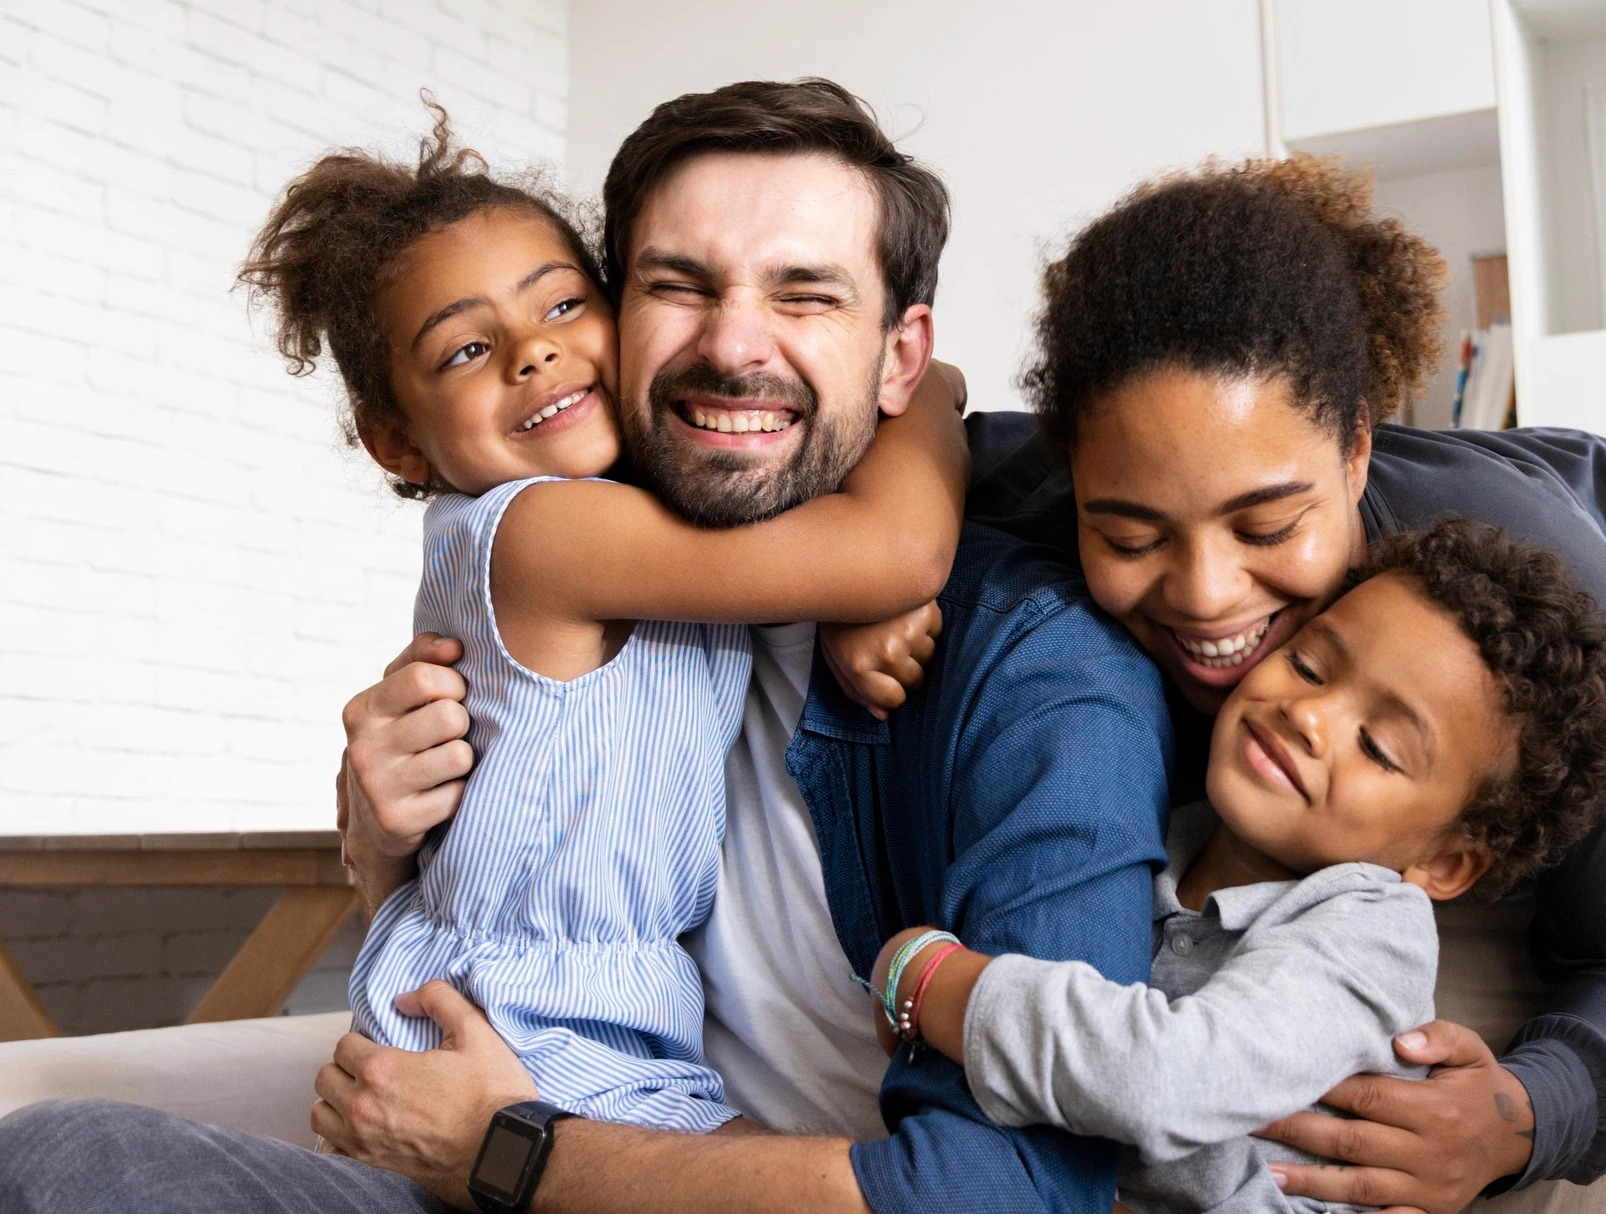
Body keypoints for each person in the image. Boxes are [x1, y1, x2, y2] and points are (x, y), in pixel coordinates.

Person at [0, 80, 1173, 1214]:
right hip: (555, 1067)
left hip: (594, 1127)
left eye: (806, 295)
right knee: (72, 1156)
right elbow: (877, 555)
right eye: (678, 284)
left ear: (896, 349)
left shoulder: (1030, 675)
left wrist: (508, 1149)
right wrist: (382, 844)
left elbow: (1001, 1193)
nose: (733, 344)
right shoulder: (589, 539)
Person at [951, 154, 1606, 1208]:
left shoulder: (1585, 602)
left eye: (1267, 525)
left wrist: (1515, 1117)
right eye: (1129, 532)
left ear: (1354, 458)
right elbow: (918, 417)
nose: (1203, 596)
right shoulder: (1081, 465)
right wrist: (889, 571)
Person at [236, 104, 966, 1130]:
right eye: (464, 350)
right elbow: (895, 551)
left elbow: (829, 554)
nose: (531, 355)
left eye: (562, 306)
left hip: (593, 1016)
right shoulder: (544, 533)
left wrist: (850, 605)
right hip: (535, 1029)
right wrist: (926, 395)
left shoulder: (642, 526)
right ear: (397, 442)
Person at [866, 517, 1606, 1214]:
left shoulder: (1372, 932)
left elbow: (1165, 1082)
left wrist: (926, 979)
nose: (1308, 715)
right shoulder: (1149, 827)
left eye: (1377, 747)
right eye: (1307, 665)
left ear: (1444, 861)